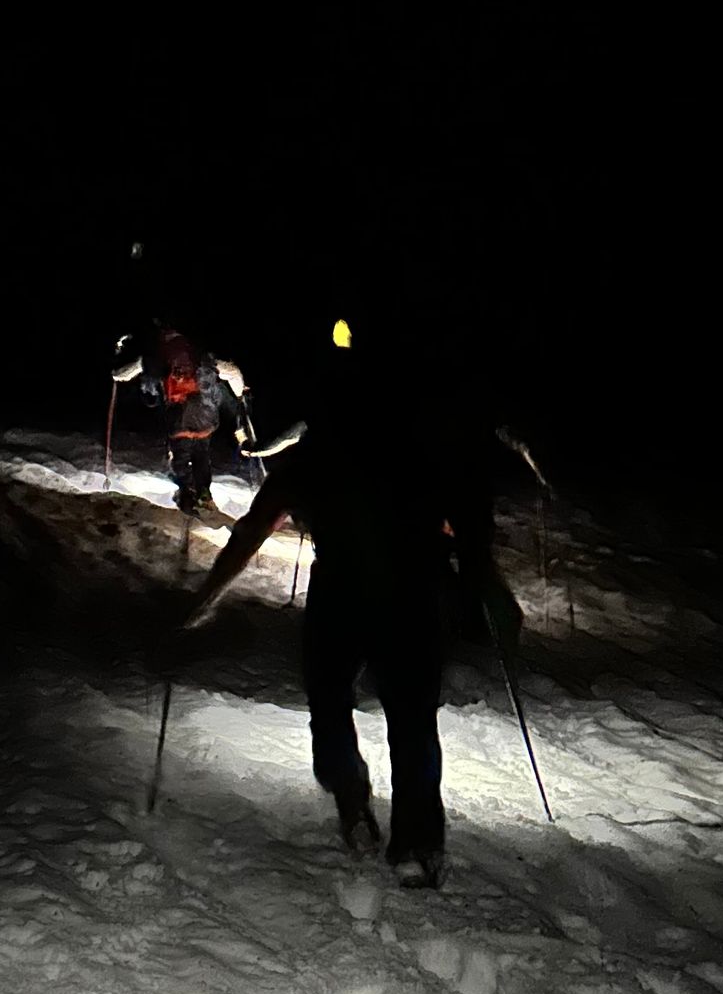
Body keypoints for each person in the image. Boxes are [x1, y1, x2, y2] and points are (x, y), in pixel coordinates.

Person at [179, 320, 515, 887]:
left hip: (354, 595)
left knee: (337, 707)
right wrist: (487, 591)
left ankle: (362, 800)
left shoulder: (331, 449)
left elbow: (256, 527)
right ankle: (411, 839)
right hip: (399, 595)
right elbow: (469, 527)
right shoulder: (414, 448)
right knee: (408, 723)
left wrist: (207, 596)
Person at [110, 319, 251, 513]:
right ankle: (204, 494)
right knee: (202, 455)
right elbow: (232, 372)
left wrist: (116, 369)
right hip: (206, 418)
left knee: (180, 457)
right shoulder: (202, 356)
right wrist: (240, 392)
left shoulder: (158, 357)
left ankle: (187, 493)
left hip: (179, 418)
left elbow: (122, 374)